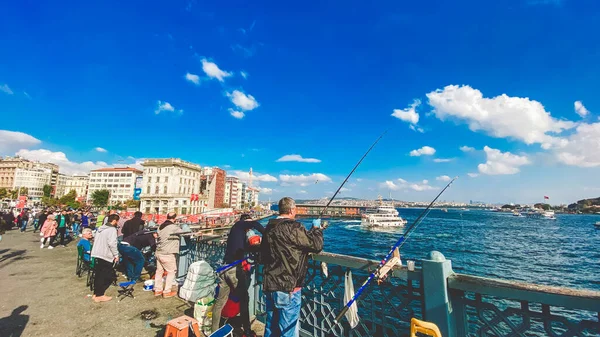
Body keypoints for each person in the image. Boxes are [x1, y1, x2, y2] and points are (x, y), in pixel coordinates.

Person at [261, 197, 324, 337]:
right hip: (288, 286)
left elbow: (265, 254)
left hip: (270, 284)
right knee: (287, 330)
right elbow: (316, 245)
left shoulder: (269, 227)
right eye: (295, 209)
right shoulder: (294, 227)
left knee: (271, 327)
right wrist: (317, 229)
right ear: (291, 210)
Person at [212, 214, 265, 335]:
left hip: (224, 269)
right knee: (244, 299)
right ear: (246, 221)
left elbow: (245, 248)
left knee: (220, 302)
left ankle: (214, 330)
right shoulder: (241, 224)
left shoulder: (236, 231)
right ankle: (246, 330)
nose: (250, 229)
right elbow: (256, 224)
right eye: (248, 224)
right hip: (234, 270)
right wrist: (267, 235)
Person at [91, 214, 120, 303]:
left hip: (97, 252)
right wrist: (116, 254)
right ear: (114, 221)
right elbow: (112, 243)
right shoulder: (112, 230)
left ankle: (96, 293)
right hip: (105, 254)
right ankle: (100, 295)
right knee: (103, 275)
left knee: (98, 274)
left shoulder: (101, 228)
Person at [154, 212, 183, 298]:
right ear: (174, 218)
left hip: (158, 252)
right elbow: (184, 232)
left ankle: (157, 290)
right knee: (171, 272)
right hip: (167, 253)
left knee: (159, 271)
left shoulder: (161, 226)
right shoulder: (174, 227)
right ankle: (166, 291)